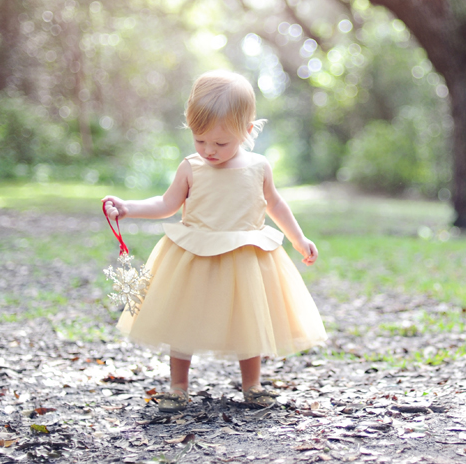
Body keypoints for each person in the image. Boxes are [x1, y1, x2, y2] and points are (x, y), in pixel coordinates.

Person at [102, 70, 327, 413]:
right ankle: (178, 387)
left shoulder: (258, 167)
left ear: (248, 131)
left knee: (247, 319)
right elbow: (166, 204)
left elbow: (275, 204)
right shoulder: (191, 167)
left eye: (221, 143)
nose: (209, 150)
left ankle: (253, 385)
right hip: (195, 255)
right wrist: (128, 208)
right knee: (183, 319)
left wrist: (298, 237)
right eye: (199, 139)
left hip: (244, 259)